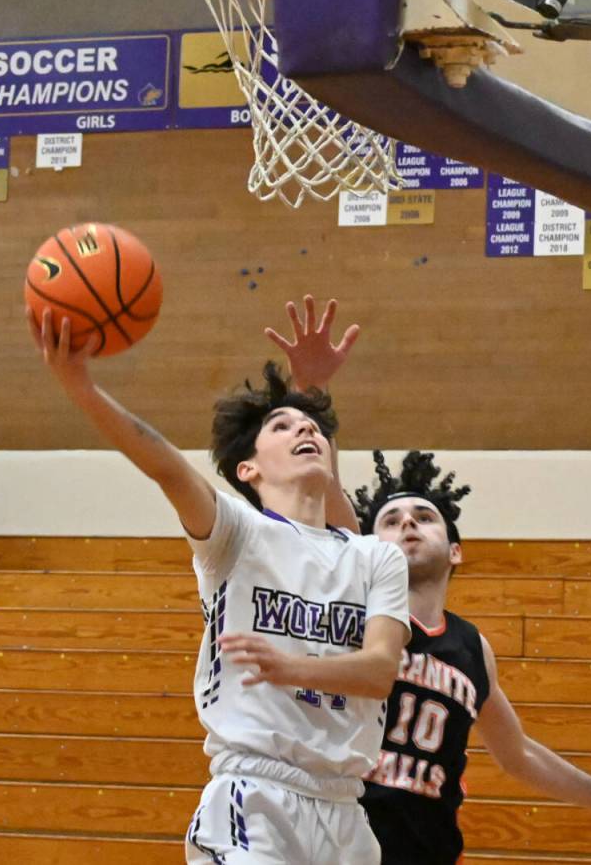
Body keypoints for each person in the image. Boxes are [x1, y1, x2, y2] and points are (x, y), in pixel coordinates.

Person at [265, 298, 591, 864]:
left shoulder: (473, 648)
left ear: (456, 550)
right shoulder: (360, 593)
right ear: (367, 544)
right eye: (390, 520)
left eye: (424, 517)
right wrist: (310, 390)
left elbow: (521, 757)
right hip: (340, 843)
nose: (407, 525)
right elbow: (331, 492)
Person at [28, 306, 410, 865]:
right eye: (281, 426)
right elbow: (165, 467)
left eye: (311, 426)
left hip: (346, 814)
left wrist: (289, 668)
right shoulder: (236, 532)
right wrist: (80, 386)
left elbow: (380, 673)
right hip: (253, 798)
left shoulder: (376, 556)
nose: (305, 429)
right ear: (247, 470)